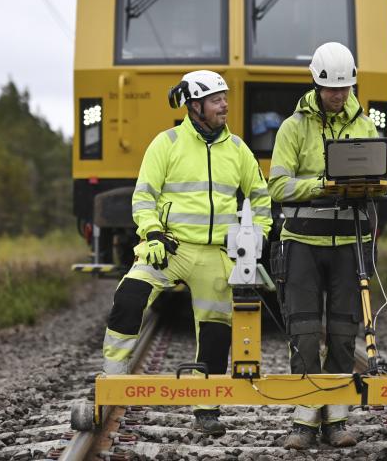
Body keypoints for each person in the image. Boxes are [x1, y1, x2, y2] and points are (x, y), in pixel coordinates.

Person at [101, 69, 272, 436]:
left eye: (224, 97)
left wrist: (258, 238)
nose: (225, 104)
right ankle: (112, 382)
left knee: (215, 331)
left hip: (215, 255)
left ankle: (206, 408)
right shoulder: (167, 143)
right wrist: (153, 233)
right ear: (194, 106)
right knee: (129, 297)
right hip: (169, 247)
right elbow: (143, 197)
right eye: (216, 99)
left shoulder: (238, 150)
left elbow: (260, 197)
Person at [268, 42, 380, 449]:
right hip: (301, 244)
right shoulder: (292, 128)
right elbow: (277, 185)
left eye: (346, 88)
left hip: (350, 243)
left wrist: (368, 187)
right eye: (332, 88)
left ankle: (336, 417)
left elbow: (379, 176)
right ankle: (304, 418)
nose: (339, 95)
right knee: (303, 329)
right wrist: (322, 186)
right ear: (316, 84)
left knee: (342, 331)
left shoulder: (366, 126)